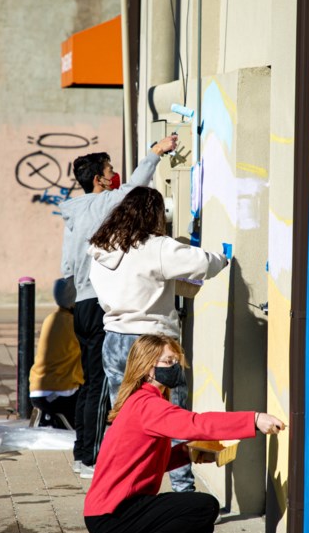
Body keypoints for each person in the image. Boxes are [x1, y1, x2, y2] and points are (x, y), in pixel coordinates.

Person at [83, 334, 284, 533]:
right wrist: (253, 420)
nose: (175, 368)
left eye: (176, 361)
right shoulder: (148, 406)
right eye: (168, 361)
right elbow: (196, 424)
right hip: (113, 513)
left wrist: (187, 454)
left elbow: (143, 462)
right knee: (203, 507)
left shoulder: (141, 402)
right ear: (147, 367)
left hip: (109, 512)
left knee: (203, 525)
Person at [88, 186, 229, 492]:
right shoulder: (157, 247)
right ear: (155, 215)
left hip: (114, 339)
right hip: (153, 344)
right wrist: (224, 259)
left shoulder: (101, 247)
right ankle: (183, 489)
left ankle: (123, 488)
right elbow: (204, 263)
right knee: (174, 416)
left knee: (126, 421)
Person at [60, 134, 178, 479]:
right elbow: (134, 188)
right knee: (100, 386)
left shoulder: (75, 211)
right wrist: (155, 153)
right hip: (98, 303)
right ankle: (91, 458)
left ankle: (82, 452)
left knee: (89, 382)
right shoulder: (103, 203)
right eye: (110, 171)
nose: (115, 175)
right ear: (98, 179)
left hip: (80, 304)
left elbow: (67, 264)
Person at [28, 278, 82, 431]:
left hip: (36, 387)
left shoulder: (50, 319)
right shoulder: (74, 323)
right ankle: (56, 416)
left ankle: (48, 416)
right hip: (60, 392)